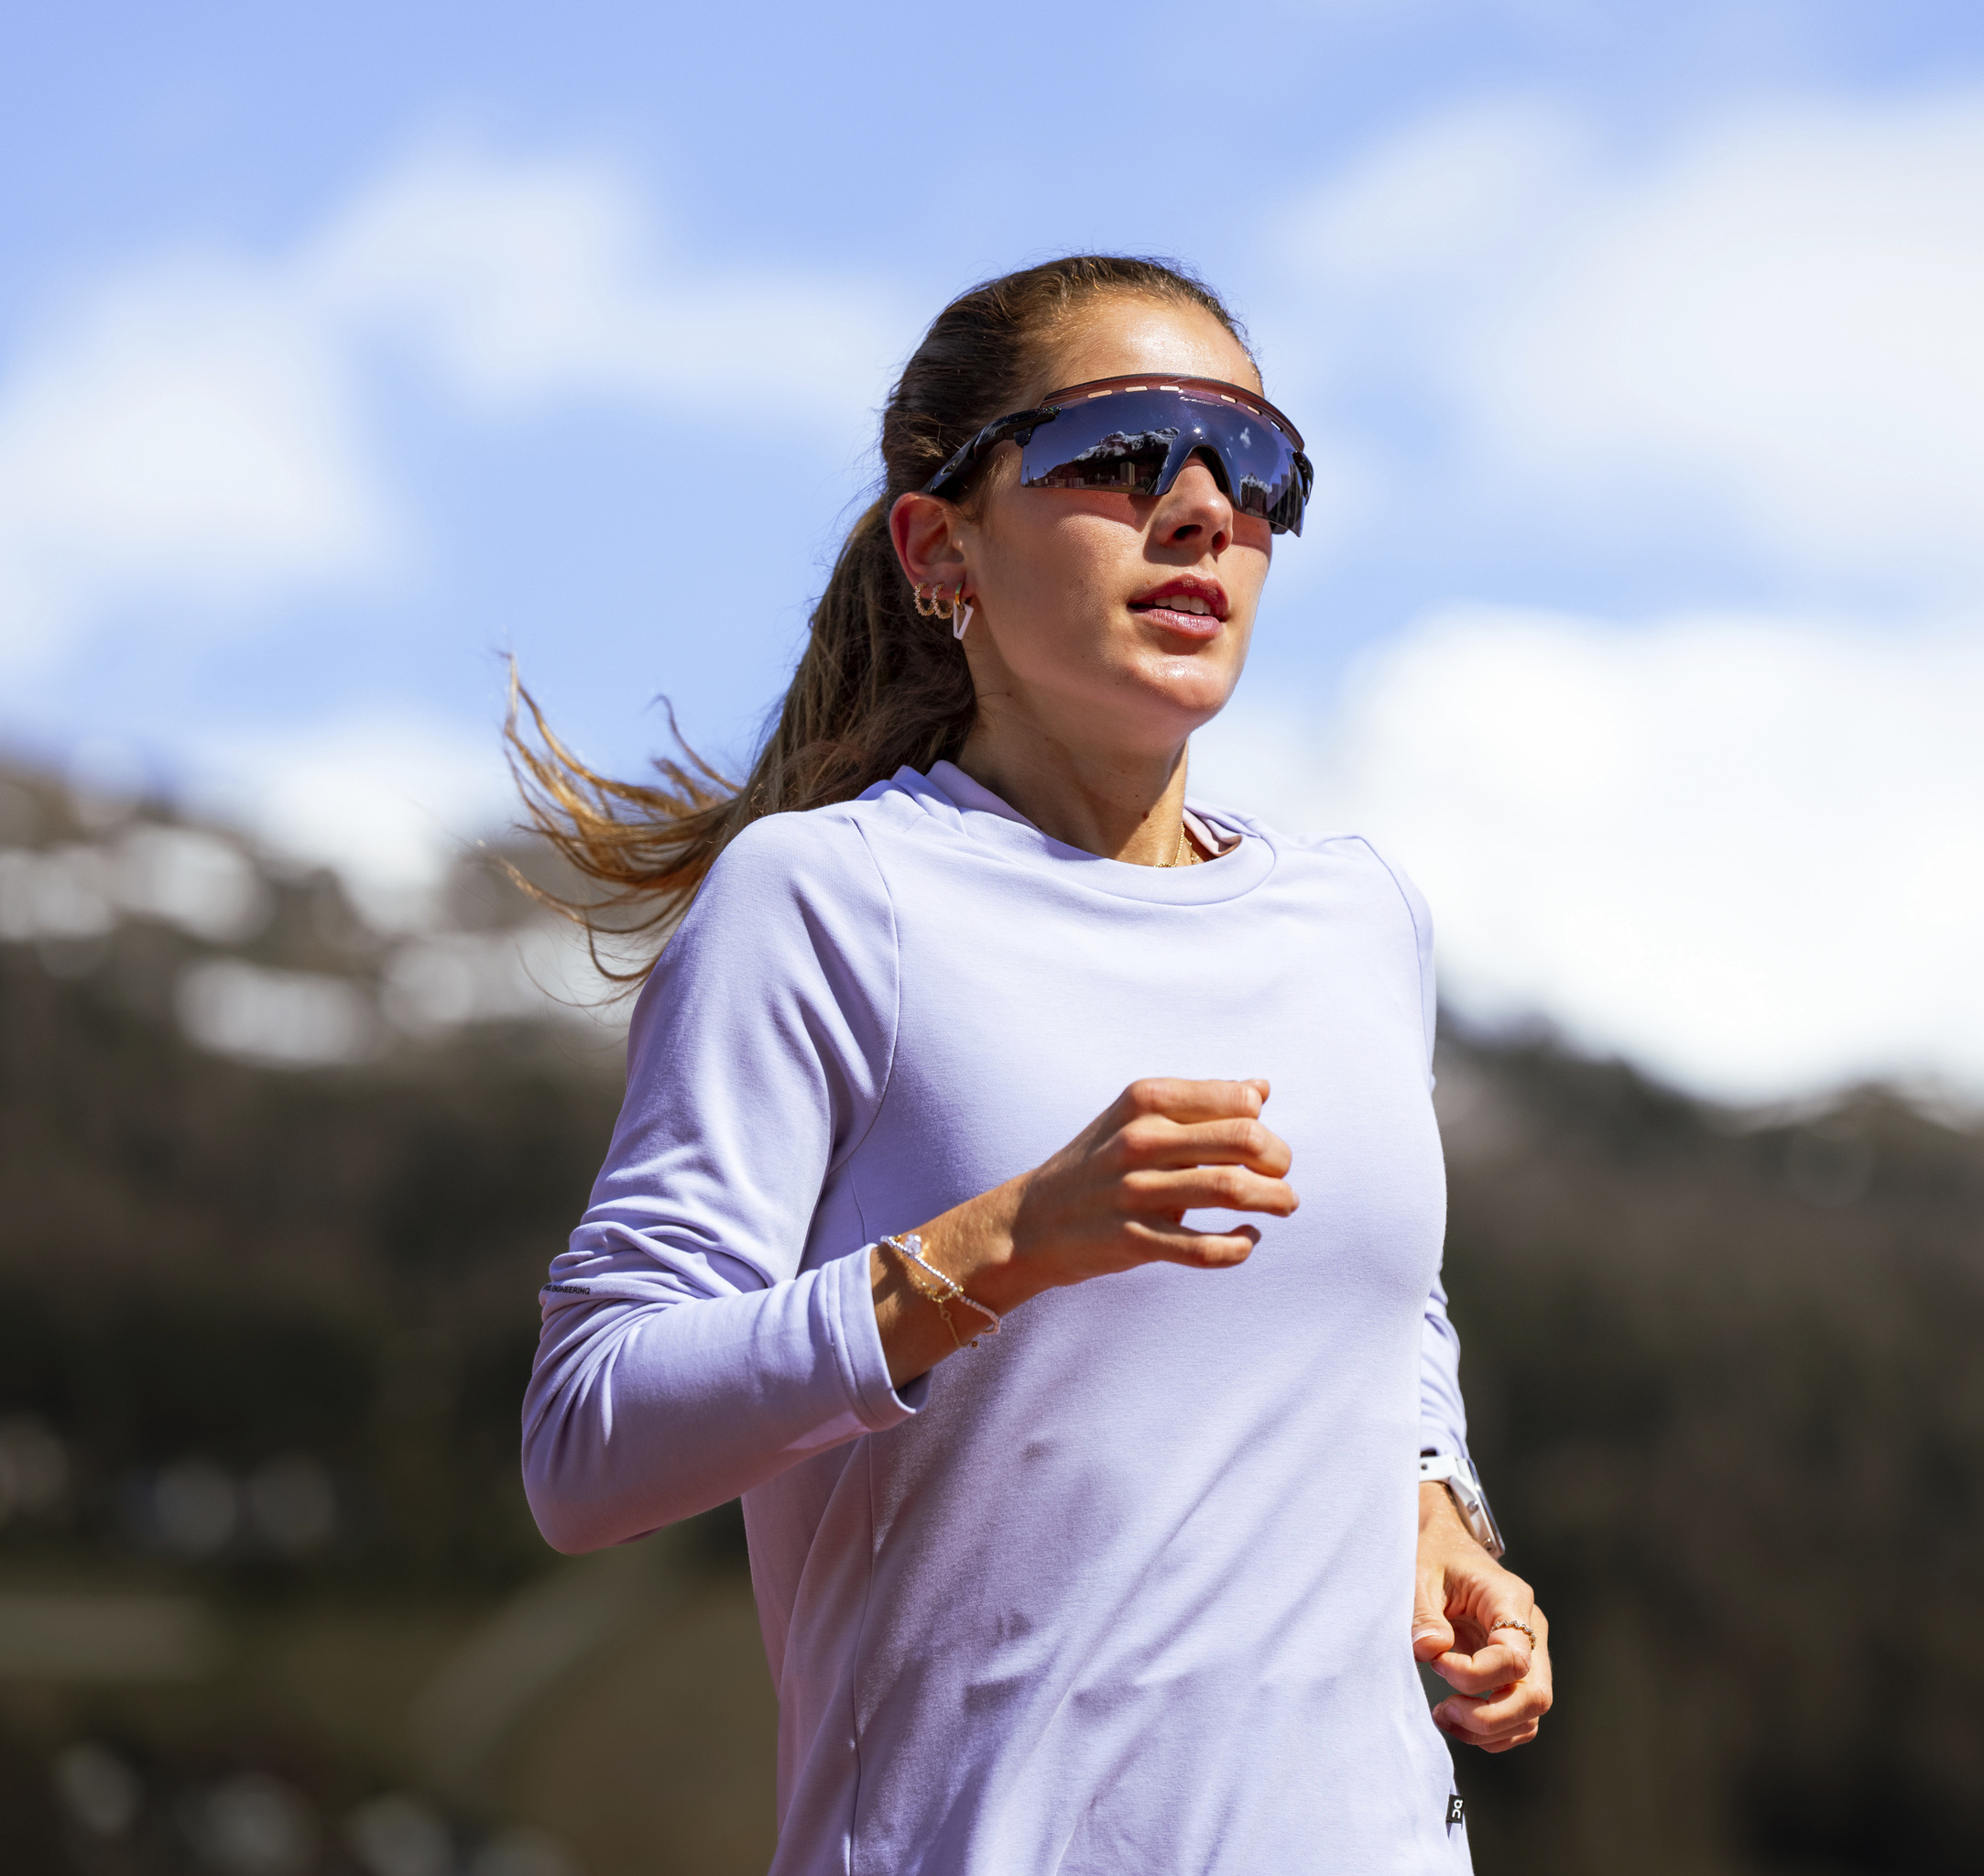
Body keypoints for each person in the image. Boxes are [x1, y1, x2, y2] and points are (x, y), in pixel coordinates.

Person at [512, 255, 1550, 1874]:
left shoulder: (1358, 919)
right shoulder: (829, 901)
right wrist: (999, 1252)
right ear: (943, 549)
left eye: (1254, 462)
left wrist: (1432, 1496)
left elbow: (1386, 1310)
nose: (1202, 507)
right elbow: (585, 1447)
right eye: (1121, 448)